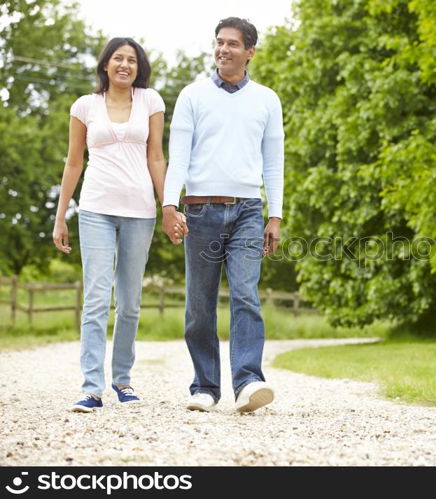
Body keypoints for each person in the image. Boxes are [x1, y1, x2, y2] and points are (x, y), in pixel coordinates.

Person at [163, 17, 284, 413]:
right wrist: (169, 205)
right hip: (199, 209)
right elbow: (177, 157)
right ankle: (205, 387)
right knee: (199, 302)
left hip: (249, 210)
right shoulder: (192, 96)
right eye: (219, 42)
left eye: (232, 44)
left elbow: (273, 163)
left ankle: (249, 382)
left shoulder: (267, 99)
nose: (223, 49)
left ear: (249, 52)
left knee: (246, 295)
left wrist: (276, 215)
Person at [52, 38, 169, 412]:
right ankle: (91, 387)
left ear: (139, 67)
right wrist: (60, 217)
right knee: (96, 300)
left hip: (140, 211)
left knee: (130, 303)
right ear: (105, 64)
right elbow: (74, 163)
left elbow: (156, 157)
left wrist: (168, 206)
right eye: (118, 58)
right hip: (96, 209)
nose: (125, 64)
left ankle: (123, 379)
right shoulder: (84, 106)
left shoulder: (151, 100)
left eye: (132, 60)